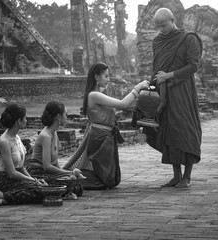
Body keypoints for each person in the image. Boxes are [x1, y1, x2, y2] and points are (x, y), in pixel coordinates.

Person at [63, 62, 149, 190]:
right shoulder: (93, 95)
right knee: (106, 180)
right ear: (96, 77)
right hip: (100, 138)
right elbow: (122, 104)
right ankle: (75, 180)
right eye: (106, 76)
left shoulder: (98, 94)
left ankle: (78, 178)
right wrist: (138, 87)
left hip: (106, 136)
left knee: (113, 179)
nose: (108, 80)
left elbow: (122, 106)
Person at [143, 8, 203, 188]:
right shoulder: (158, 41)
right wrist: (150, 90)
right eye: (158, 26)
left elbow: (193, 66)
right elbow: (156, 69)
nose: (161, 29)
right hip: (163, 93)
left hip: (183, 91)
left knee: (185, 128)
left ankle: (187, 176)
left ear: (173, 20)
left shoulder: (189, 39)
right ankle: (176, 175)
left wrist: (168, 76)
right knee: (167, 130)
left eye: (164, 25)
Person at [0, 103, 47, 205]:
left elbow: (21, 167)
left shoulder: (17, 138)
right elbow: (12, 173)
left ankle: (5, 199)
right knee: (40, 192)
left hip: (16, 179)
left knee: (44, 188)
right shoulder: (4, 142)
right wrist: (33, 182)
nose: (26, 120)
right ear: (18, 121)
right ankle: (1, 195)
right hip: (4, 180)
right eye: (25, 118)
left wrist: (34, 180)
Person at [26, 101, 83, 198]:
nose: (66, 117)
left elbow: (55, 162)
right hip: (38, 172)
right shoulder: (46, 136)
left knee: (77, 186)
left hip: (48, 173)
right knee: (67, 186)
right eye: (65, 114)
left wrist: (66, 176)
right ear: (58, 116)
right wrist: (70, 173)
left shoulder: (54, 133)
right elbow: (47, 166)